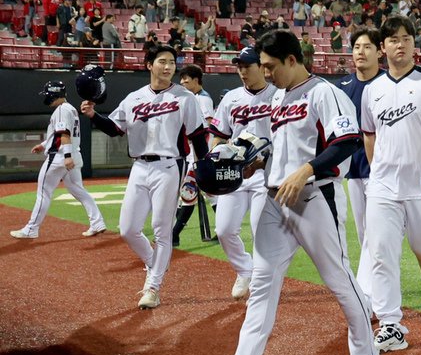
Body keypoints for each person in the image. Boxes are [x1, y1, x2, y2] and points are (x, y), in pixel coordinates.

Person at [202, 30, 375, 355]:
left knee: (338, 278)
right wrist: (258, 162)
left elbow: (347, 141)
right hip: (274, 199)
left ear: (292, 60)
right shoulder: (279, 98)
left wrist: (306, 170)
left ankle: (365, 350)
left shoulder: (325, 93)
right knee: (262, 285)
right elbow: (280, 148)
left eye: (270, 66)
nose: (265, 73)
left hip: (314, 198)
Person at [360, 16, 421, 352]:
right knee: (381, 255)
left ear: (414, 44)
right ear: (382, 47)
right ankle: (390, 324)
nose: (399, 44)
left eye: (406, 38)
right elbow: (369, 136)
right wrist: (377, 172)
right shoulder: (372, 89)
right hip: (384, 188)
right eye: (392, 39)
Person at [83, 45, 209, 310]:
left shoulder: (185, 98)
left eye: (172, 62)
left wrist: (203, 168)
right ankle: (154, 264)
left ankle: (153, 287)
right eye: (162, 61)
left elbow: (198, 136)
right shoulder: (133, 98)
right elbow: (115, 128)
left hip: (169, 166)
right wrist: (94, 116)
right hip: (139, 167)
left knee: (163, 230)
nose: (168, 67)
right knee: (128, 228)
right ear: (149, 65)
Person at [207, 47, 278, 301]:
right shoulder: (231, 98)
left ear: (262, 66)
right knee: (224, 229)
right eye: (239, 66)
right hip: (234, 172)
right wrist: (212, 159)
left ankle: (260, 283)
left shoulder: (277, 95)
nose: (242, 71)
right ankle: (244, 269)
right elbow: (219, 134)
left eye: (247, 65)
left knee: (262, 231)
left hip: (265, 171)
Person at [10, 81, 107, 239]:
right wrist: (43, 145)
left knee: (43, 193)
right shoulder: (70, 109)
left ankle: (31, 228)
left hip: (61, 156)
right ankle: (97, 222)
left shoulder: (62, 110)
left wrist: (67, 157)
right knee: (78, 190)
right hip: (73, 154)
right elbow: (60, 134)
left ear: (53, 94)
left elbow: (64, 135)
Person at [338, 27, 385, 300]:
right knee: (365, 234)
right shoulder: (342, 87)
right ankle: (375, 287)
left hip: (382, 170)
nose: (361, 52)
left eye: (367, 46)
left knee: (375, 236)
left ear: (379, 52)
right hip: (353, 171)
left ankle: (365, 292)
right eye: (356, 47)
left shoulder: (388, 83)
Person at [170, 64, 216, 248]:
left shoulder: (202, 99)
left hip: (199, 156)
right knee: (211, 194)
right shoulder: (194, 97)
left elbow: (207, 128)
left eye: (186, 80)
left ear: (196, 80)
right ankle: (224, 230)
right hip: (198, 155)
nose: (182, 83)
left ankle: (175, 234)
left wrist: (199, 158)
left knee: (189, 191)